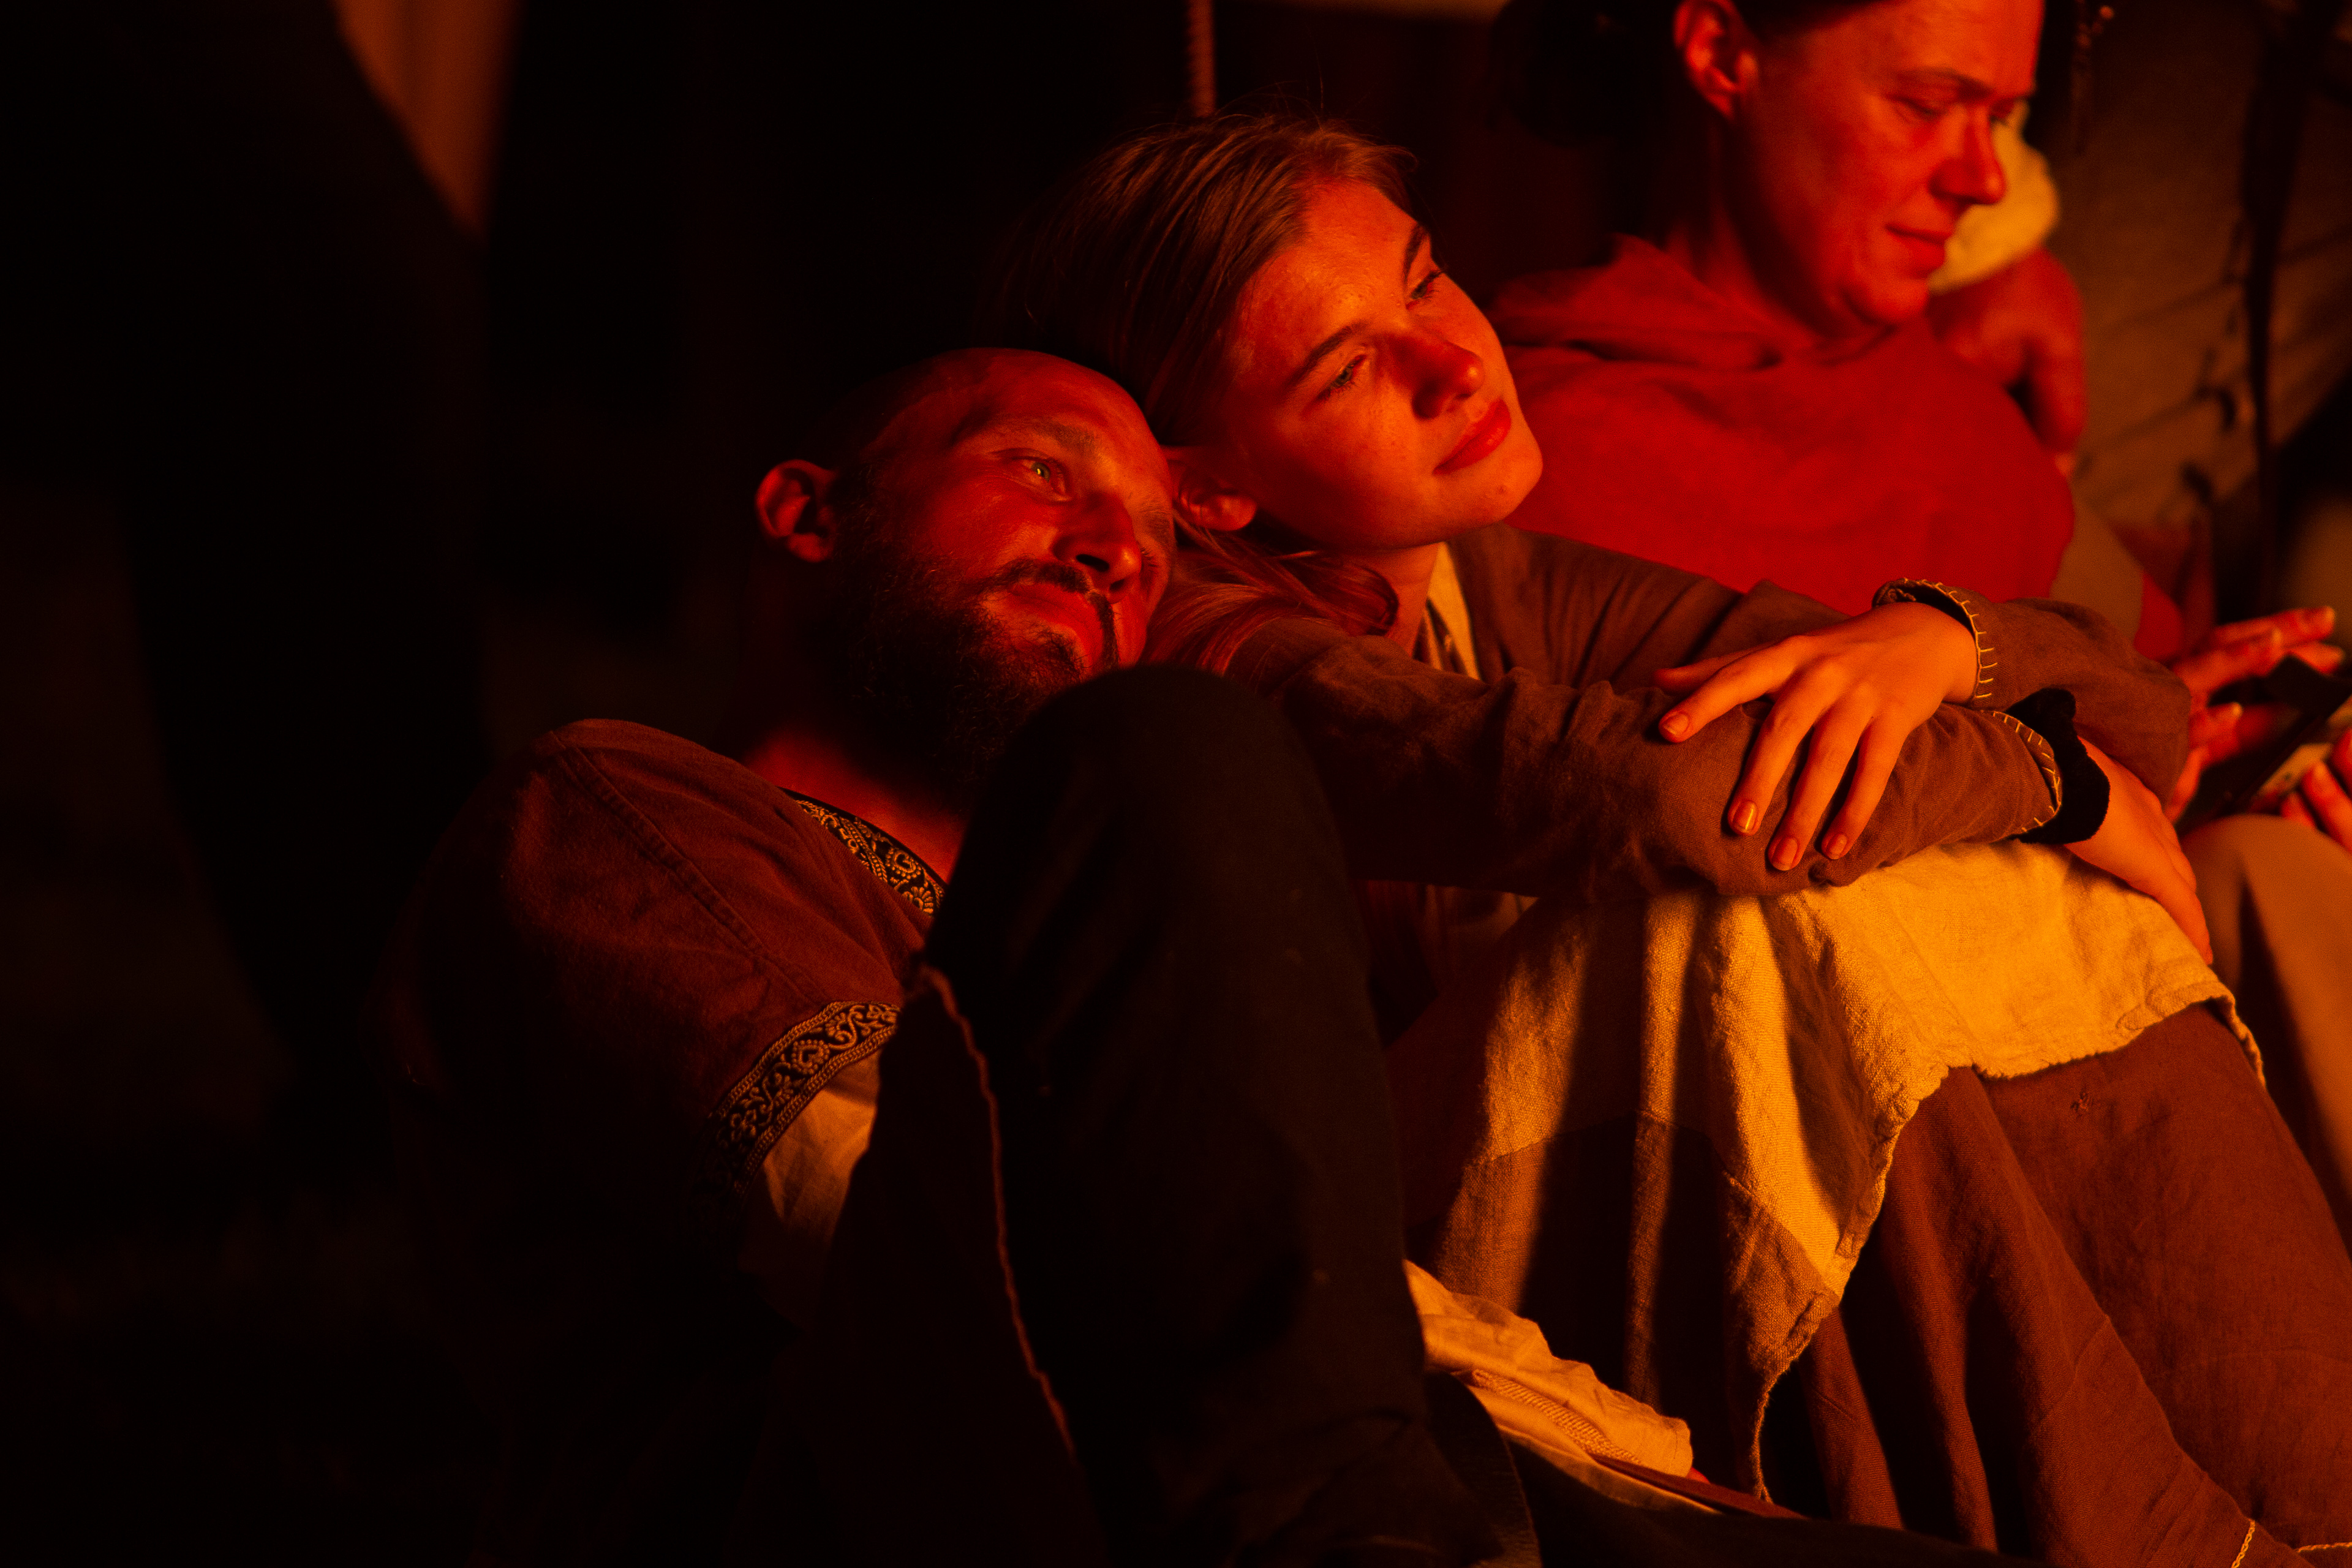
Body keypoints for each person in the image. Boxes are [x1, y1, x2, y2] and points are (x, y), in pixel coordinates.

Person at [370, 346, 2026, 1566]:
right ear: (809, 514)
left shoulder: (1114, 949)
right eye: (1045, 473)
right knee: (1173, 749)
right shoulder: (606, 809)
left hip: (1306, 1480)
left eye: (1156, 542)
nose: (1118, 551)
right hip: (874, 1504)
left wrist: (1654, 1486)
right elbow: (855, 1207)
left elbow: (1266, 1303)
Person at [982, 110, 2352, 1564]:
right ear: (1208, 488)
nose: (1455, 363)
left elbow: (2126, 703)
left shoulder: (1478, 566)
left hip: (1594, 1186)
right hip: (1400, 1295)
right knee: (1754, 914)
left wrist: (1940, 642)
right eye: (1346, 367)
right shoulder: (1221, 653)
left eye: (1428, 278)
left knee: (1957, 854)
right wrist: (2058, 782)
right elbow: (1676, 799)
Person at [1485, 0, 2352, 1238]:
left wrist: (2237, 744)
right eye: (1926, 106)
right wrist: (2052, 743)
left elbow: (2147, 713)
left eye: (2004, 118)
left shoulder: (1964, 421)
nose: (1985, 178)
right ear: (1722, 54)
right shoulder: (1540, 452)